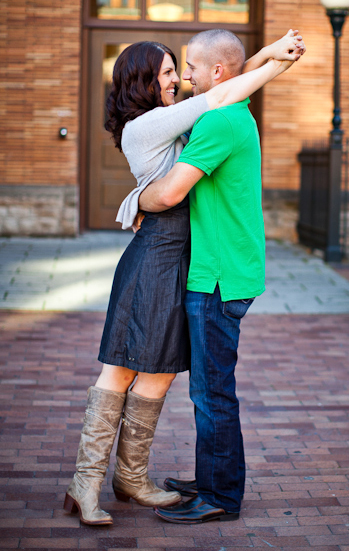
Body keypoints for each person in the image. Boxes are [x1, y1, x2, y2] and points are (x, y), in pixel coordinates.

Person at [64, 32, 305, 527]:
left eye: (183, 68)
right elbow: (219, 88)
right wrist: (139, 201)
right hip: (156, 258)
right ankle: (84, 483)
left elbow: (223, 81)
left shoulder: (193, 114)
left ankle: (131, 478)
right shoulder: (148, 125)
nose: (180, 78)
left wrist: (267, 58)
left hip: (189, 264)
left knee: (160, 374)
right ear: (143, 83)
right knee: (123, 369)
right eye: (169, 72)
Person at [127, 29, 283, 524]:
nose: (186, 74)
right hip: (222, 270)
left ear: (217, 73)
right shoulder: (228, 110)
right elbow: (233, 72)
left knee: (212, 392)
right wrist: (268, 56)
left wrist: (135, 201)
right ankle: (214, 477)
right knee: (210, 389)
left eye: (191, 66)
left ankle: (220, 496)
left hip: (218, 277)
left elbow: (171, 193)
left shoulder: (220, 122)